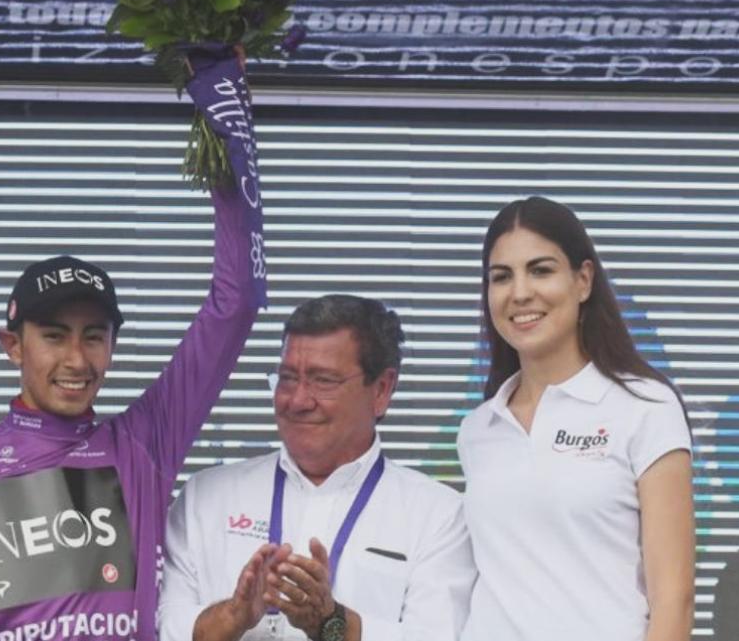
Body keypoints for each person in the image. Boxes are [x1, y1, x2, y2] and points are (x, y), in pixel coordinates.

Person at [0, 182, 265, 641]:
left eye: (93, 337)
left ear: (112, 345)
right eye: (54, 337)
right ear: (13, 345)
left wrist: (232, 180)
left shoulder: (144, 444)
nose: (76, 360)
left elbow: (236, 306)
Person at [159, 294, 476, 641]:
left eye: (323, 380)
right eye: (287, 378)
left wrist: (332, 624)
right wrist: (232, 616)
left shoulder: (438, 517)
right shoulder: (205, 497)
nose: (298, 400)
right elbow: (161, 625)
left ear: (382, 390)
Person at [457, 196, 695, 641]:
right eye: (501, 276)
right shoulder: (477, 430)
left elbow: (674, 602)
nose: (520, 292)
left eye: (540, 270)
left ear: (583, 280)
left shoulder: (646, 407)